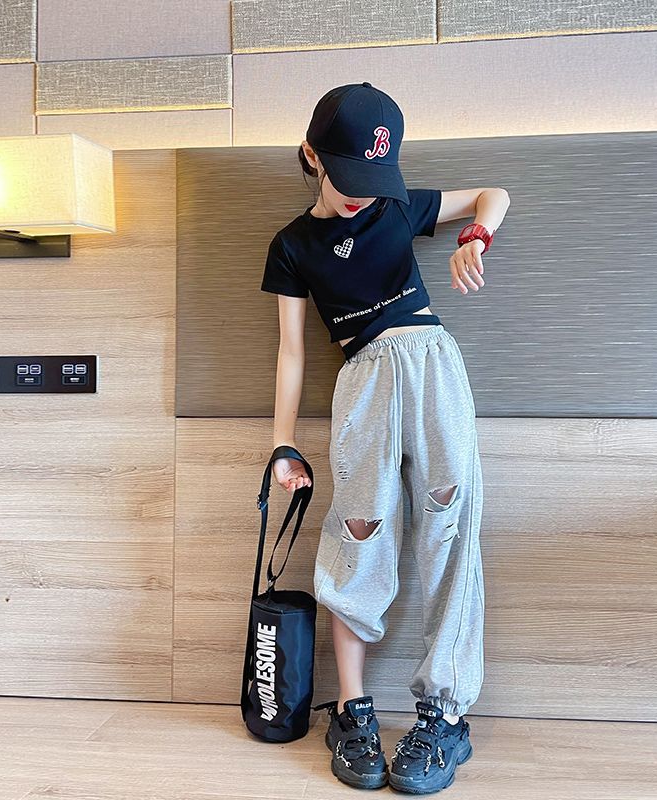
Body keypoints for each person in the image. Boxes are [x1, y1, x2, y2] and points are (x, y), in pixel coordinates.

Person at [260, 81, 510, 794]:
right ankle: (353, 710)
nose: (362, 195)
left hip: (433, 369)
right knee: (358, 534)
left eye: (375, 178)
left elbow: (492, 194)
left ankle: (444, 714)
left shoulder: (398, 205)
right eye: (348, 176)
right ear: (312, 156)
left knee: (450, 530)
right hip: (363, 379)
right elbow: (291, 352)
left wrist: (475, 237)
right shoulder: (292, 245)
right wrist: (282, 443)